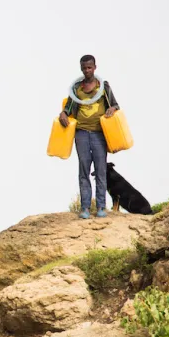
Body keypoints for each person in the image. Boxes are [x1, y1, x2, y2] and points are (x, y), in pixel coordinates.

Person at [59, 55, 120, 219]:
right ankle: (85, 208)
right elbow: (69, 107)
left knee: (100, 170)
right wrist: (64, 114)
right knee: (84, 170)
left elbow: (115, 104)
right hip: (81, 133)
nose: (87, 71)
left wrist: (112, 110)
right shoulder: (77, 88)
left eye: (89, 67)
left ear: (95, 67)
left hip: (99, 133)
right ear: (81, 68)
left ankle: (101, 207)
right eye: (84, 68)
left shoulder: (103, 86)